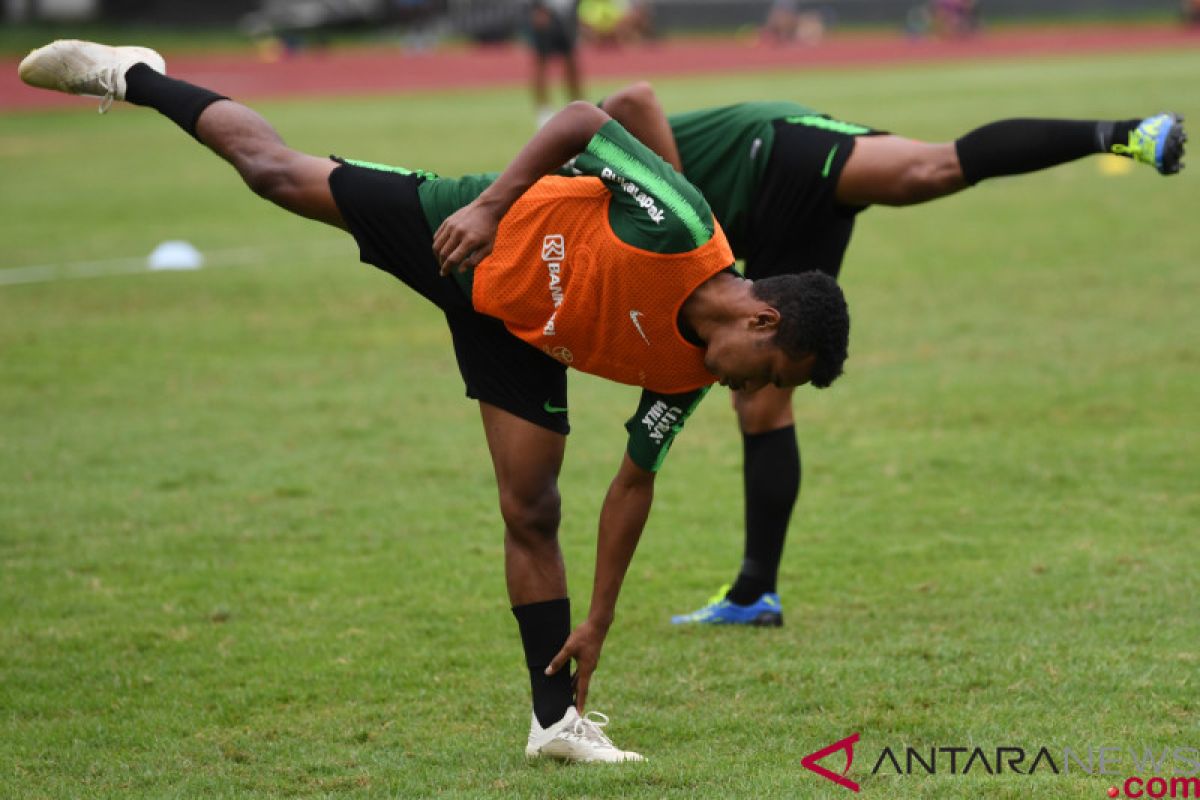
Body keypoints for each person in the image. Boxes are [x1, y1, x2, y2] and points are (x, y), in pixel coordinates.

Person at [17, 41, 850, 761]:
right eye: (772, 370)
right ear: (760, 316)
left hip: (518, 335)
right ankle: (134, 76)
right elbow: (580, 121)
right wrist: (490, 205)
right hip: (461, 228)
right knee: (273, 173)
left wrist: (597, 621)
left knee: (531, 510)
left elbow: (633, 485)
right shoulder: (681, 226)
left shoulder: (690, 371)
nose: (755, 391)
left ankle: (554, 721)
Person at [597, 83, 1186, 627]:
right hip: (763, 226)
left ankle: (1124, 133)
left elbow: (631, 97)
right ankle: (755, 595)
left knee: (934, 169)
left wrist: (686, 213)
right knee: (762, 407)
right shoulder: (594, 213)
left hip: (775, 152)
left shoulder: (597, 159)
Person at [527, 0, 584, 128]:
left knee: (571, 61)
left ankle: (578, 106)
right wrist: (537, 7)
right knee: (541, 61)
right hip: (545, 9)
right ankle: (543, 110)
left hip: (567, 11)